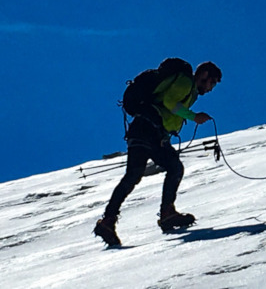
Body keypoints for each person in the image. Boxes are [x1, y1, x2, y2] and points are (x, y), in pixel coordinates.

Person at [94, 60, 222, 246]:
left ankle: (110, 220)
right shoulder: (185, 82)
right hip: (147, 130)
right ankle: (165, 214)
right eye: (213, 82)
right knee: (169, 168)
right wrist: (193, 116)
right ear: (204, 75)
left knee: (143, 173)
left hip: (148, 131)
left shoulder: (189, 91)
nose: (211, 88)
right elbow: (169, 102)